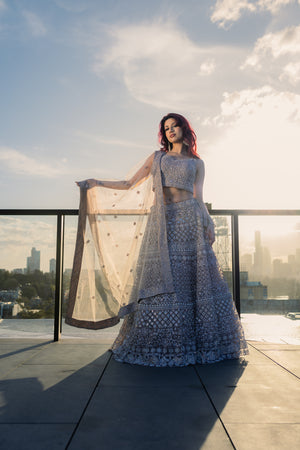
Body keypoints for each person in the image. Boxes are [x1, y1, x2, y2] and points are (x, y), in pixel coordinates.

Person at [68, 113, 248, 367]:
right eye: (166, 128)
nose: (171, 131)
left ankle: (197, 342)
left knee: (191, 279)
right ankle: (161, 340)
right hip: (163, 222)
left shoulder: (197, 163)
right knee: (161, 277)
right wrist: (95, 183)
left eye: (175, 126)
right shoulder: (158, 157)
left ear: (185, 129)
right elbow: (129, 183)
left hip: (190, 220)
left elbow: (199, 198)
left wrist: (209, 225)